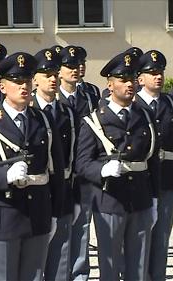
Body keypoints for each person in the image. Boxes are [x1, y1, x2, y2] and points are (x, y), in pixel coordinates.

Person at [0, 52, 65, 281]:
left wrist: (55, 214)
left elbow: (56, 171)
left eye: (27, 81)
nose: (24, 87)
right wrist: (5, 175)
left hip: (38, 215)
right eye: (17, 82)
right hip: (4, 219)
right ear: (2, 87)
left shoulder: (43, 120)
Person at [76, 49, 158, 280]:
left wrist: (154, 197)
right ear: (110, 85)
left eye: (132, 79)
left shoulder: (145, 117)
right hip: (110, 198)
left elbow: (153, 160)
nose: (129, 84)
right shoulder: (94, 121)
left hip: (140, 197)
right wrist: (101, 170)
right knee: (110, 265)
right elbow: (82, 163)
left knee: (139, 267)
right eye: (123, 80)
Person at [133, 50, 173, 281]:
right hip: (141, 179)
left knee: (162, 235)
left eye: (160, 72)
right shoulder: (134, 103)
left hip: (167, 177)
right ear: (140, 78)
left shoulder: (171, 102)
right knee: (140, 237)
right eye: (152, 73)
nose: (158, 77)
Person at [31, 48, 76, 281]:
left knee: (61, 258)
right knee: (35, 260)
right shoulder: (29, 112)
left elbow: (74, 155)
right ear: (34, 79)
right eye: (45, 74)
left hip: (64, 189)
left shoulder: (67, 112)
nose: (52, 78)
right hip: (36, 192)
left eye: (54, 73)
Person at [58, 45, 100, 281]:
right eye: (70, 66)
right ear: (60, 71)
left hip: (83, 170)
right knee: (59, 225)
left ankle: (80, 273)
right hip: (61, 171)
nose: (75, 70)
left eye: (78, 65)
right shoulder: (52, 98)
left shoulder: (90, 95)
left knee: (82, 223)